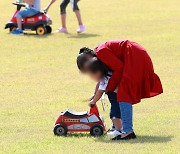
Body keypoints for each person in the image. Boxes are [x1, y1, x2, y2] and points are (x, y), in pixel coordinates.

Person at [77, 40, 163, 140]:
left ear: (89, 58)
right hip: (134, 56)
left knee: (123, 93)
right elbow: (103, 81)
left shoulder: (101, 52)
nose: (91, 72)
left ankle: (127, 131)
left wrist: (109, 87)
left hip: (134, 57)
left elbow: (119, 68)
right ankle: (118, 127)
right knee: (120, 92)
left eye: (89, 70)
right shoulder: (100, 58)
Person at [85, 57, 122, 135]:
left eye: (92, 75)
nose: (91, 77)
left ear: (98, 72)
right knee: (116, 112)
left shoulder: (106, 78)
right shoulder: (106, 74)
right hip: (117, 97)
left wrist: (93, 101)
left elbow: (100, 91)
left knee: (114, 114)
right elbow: (98, 86)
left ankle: (119, 131)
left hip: (116, 98)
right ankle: (116, 127)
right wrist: (94, 95)